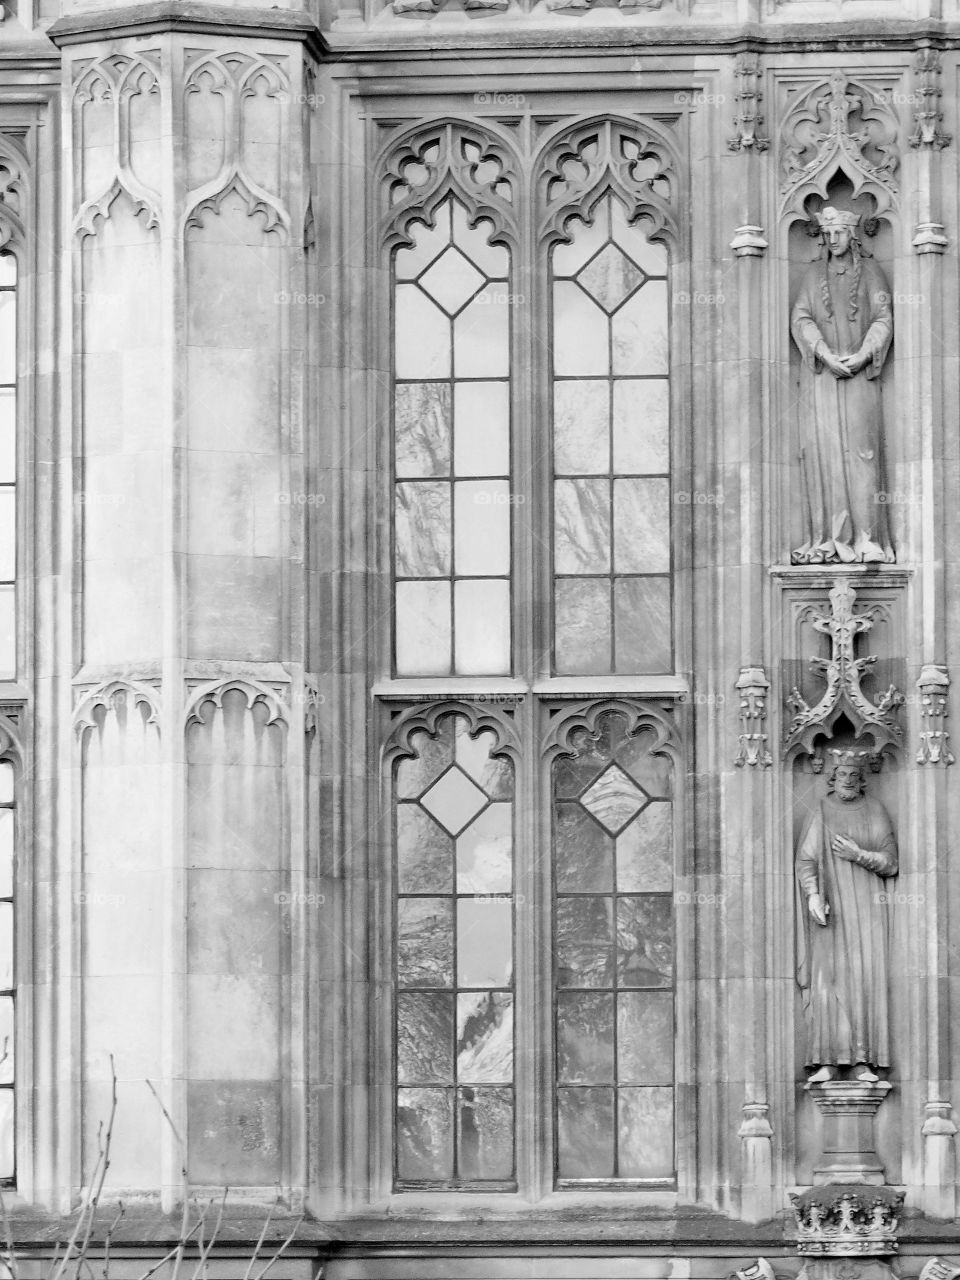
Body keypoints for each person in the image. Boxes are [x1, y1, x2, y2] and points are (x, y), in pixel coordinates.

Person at [790, 207, 894, 564]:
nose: (832, 238)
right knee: (825, 457)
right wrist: (822, 353)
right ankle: (828, 538)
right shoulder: (812, 275)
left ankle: (868, 538)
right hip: (822, 377)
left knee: (863, 454)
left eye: (839, 232)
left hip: (859, 378)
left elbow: (883, 318)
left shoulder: (871, 274)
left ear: (853, 235)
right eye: (827, 233)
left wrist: (865, 354)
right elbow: (801, 318)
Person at [796, 752, 898, 1082]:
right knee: (828, 980)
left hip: (868, 912)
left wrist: (859, 855)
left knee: (864, 979)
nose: (849, 780)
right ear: (833, 776)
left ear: (862, 778)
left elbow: (891, 862)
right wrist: (813, 894)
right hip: (832, 912)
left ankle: (863, 1061)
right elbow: (806, 860)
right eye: (843, 774)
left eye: (855, 774)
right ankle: (826, 1059)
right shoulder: (822, 809)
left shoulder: (875, 810)